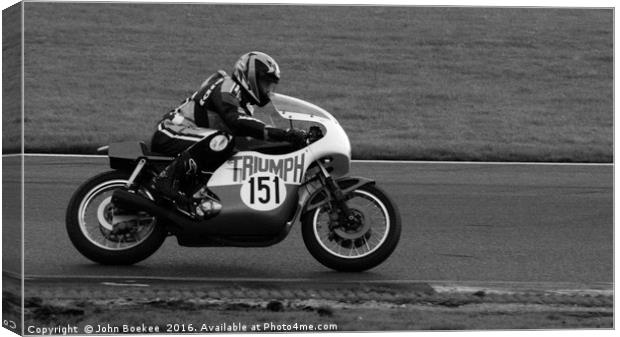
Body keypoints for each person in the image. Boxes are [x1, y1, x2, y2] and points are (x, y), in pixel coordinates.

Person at [149, 51, 305, 219]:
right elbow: (236, 120)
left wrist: (287, 144)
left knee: (232, 148)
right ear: (250, 77)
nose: (267, 90)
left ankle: (198, 194)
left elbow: (248, 137)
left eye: (270, 85)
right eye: (265, 82)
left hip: (191, 137)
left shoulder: (244, 104)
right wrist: (282, 134)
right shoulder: (227, 86)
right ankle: (165, 179)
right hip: (170, 132)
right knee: (222, 140)